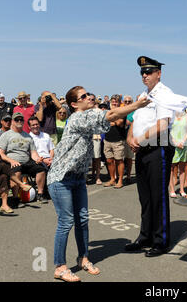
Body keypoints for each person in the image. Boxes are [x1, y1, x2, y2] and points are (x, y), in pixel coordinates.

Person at [46, 85, 148, 282]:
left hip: (77, 178)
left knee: (82, 220)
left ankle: (83, 258)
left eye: (89, 94)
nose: (89, 97)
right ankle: (60, 266)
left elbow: (109, 120)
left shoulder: (90, 116)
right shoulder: (77, 118)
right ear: (74, 104)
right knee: (66, 222)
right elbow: (110, 115)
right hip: (61, 178)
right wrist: (137, 105)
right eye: (83, 96)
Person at [126, 56, 175, 257]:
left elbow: (162, 125)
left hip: (158, 148)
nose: (145, 75)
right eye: (142, 72)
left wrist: (139, 139)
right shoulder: (142, 95)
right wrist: (130, 137)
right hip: (143, 149)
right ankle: (145, 236)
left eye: (149, 72)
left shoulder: (165, 94)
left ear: (159, 73)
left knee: (158, 197)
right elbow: (134, 121)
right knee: (145, 197)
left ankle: (160, 241)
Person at [0, 112, 48, 203]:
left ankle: (40, 194)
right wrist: (11, 161)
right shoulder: (6, 135)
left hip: (27, 161)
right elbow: (1, 153)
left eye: (21, 119)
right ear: (13, 121)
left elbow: (33, 153)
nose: (19, 121)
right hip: (12, 162)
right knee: (17, 169)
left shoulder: (28, 136)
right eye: (17, 119)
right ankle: (15, 198)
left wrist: (37, 159)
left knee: (41, 169)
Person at [103, 95, 126, 188]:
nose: (114, 103)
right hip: (107, 139)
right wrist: (112, 120)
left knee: (119, 160)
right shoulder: (108, 111)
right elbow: (105, 122)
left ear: (119, 103)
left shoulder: (122, 112)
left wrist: (112, 119)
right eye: (112, 101)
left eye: (116, 101)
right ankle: (112, 179)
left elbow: (119, 123)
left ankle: (120, 180)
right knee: (109, 160)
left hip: (118, 139)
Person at [169, 111, 187, 198]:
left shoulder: (186, 117)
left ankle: (181, 189)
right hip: (173, 144)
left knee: (182, 168)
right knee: (172, 167)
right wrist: (175, 142)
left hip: (183, 144)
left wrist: (183, 141)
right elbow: (169, 131)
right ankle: (172, 189)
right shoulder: (171, 116)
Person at [123, 95, 135, 183]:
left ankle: (128, 176)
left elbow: (134, 122)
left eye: (129, 101)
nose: (127, 103)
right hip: (120, 137)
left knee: (129, 158)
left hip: (130, 137)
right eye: (126, 101)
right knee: (119, 158)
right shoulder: (121, 111)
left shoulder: (135, 112)